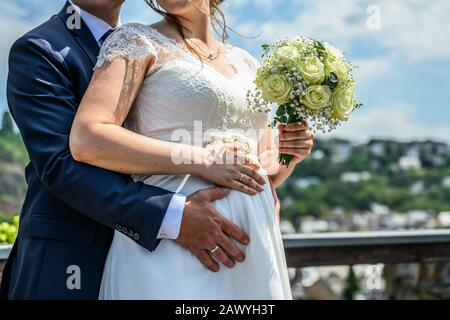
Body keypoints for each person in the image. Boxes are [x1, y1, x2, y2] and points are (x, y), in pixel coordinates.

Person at [0, 0, 251, 300]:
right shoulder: (41, 49)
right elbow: (61, 164)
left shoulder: (154, 44)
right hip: (72, 259)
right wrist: (172, 216)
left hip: (161, 259)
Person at [69, 0, 315, 299]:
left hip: (253, 243)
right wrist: (201, 159)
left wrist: (290, 156)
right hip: (173, 244)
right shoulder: (135, 42)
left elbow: (264, 171)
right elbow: (88, 138)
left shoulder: (248, 64)